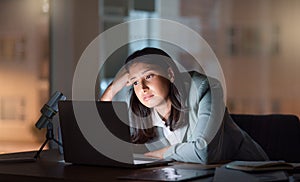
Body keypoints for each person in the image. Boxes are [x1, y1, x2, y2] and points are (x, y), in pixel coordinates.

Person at [100, 47, 269, 164]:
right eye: (135, 82)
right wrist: (112, 89)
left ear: (170, 74)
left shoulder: (204, 87)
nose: (142, 88)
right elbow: (103, 146)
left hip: (248, 172)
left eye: (149, 76)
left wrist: (162, 153)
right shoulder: (142, 111)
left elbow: (203, 151)